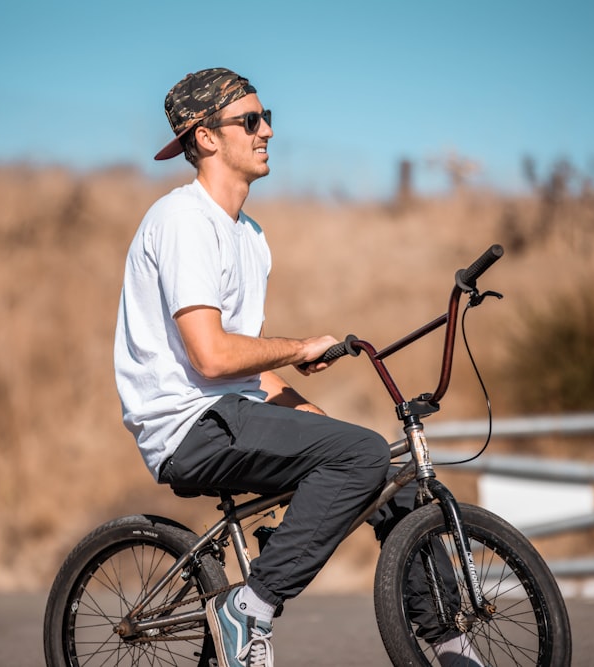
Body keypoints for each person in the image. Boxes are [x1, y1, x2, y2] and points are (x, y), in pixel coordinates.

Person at [113, 67, 483, 667]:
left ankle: (448, 645)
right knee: (359, 454)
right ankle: (248, 608)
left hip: (232, 410)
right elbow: (211, 354)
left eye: (268, 119)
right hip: (187, 425)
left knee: (380, 470)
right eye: (252, 121)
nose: (269, 132)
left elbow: (249, 371)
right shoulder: (183, 221)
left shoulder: (250, 237)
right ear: (206, 137)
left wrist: (312, 416)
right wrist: (300, 346)